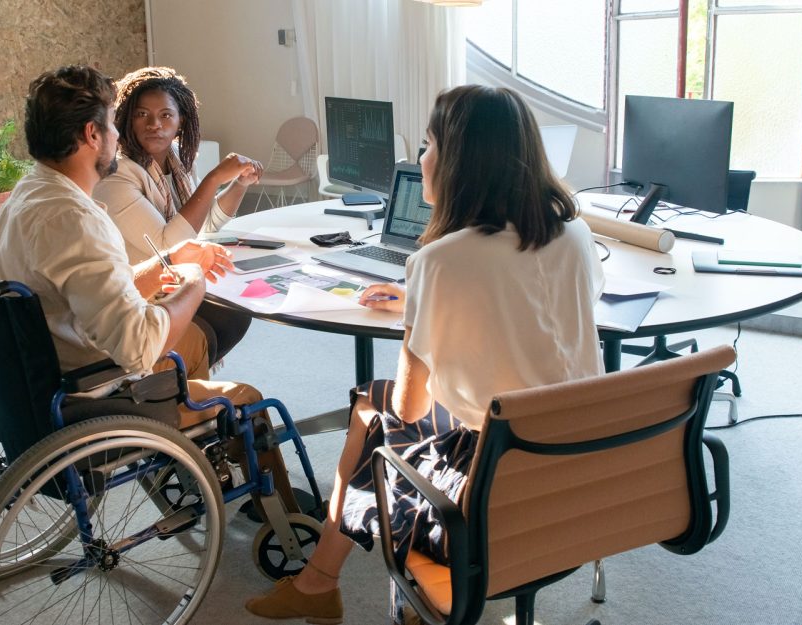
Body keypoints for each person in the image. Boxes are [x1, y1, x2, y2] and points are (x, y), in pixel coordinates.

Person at [244, 85, 605, 625]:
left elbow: (411, 408)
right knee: (372, 407)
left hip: (495, 474)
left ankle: (324, 582)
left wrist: (427, 306)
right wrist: (431, 303)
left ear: (460, 160)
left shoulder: (440, 261)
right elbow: (539, 311)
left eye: (430, 144)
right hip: (578, 456)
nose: (421, 159)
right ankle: (320, 580)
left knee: (373, 414)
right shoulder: (573, 233)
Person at [0, 64, 298, 512]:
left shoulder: (29, 195)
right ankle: (286, 522)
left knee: (208, 326)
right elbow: (138, 345)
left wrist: (166, 263)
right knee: (246, 397)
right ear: (94, 134)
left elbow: (82, 289)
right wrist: (190, 281)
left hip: (37, 376)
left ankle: (202, 466)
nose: (119, 135)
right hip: (96, 392)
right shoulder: (78, 219)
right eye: (116, 123)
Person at [93, 66, 260, 367]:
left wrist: (238, 184)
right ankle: (170, 378)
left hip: (172, 283)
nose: (154, 124)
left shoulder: (177, 161)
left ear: (181, 121)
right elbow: (170, 243)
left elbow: (202, 225)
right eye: (142, 114)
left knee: (237, 306)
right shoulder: (117, 175)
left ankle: (183, 378)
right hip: (140, 298)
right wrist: (213, 179)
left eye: (166, 115)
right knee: (220, 315)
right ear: (127, 118)